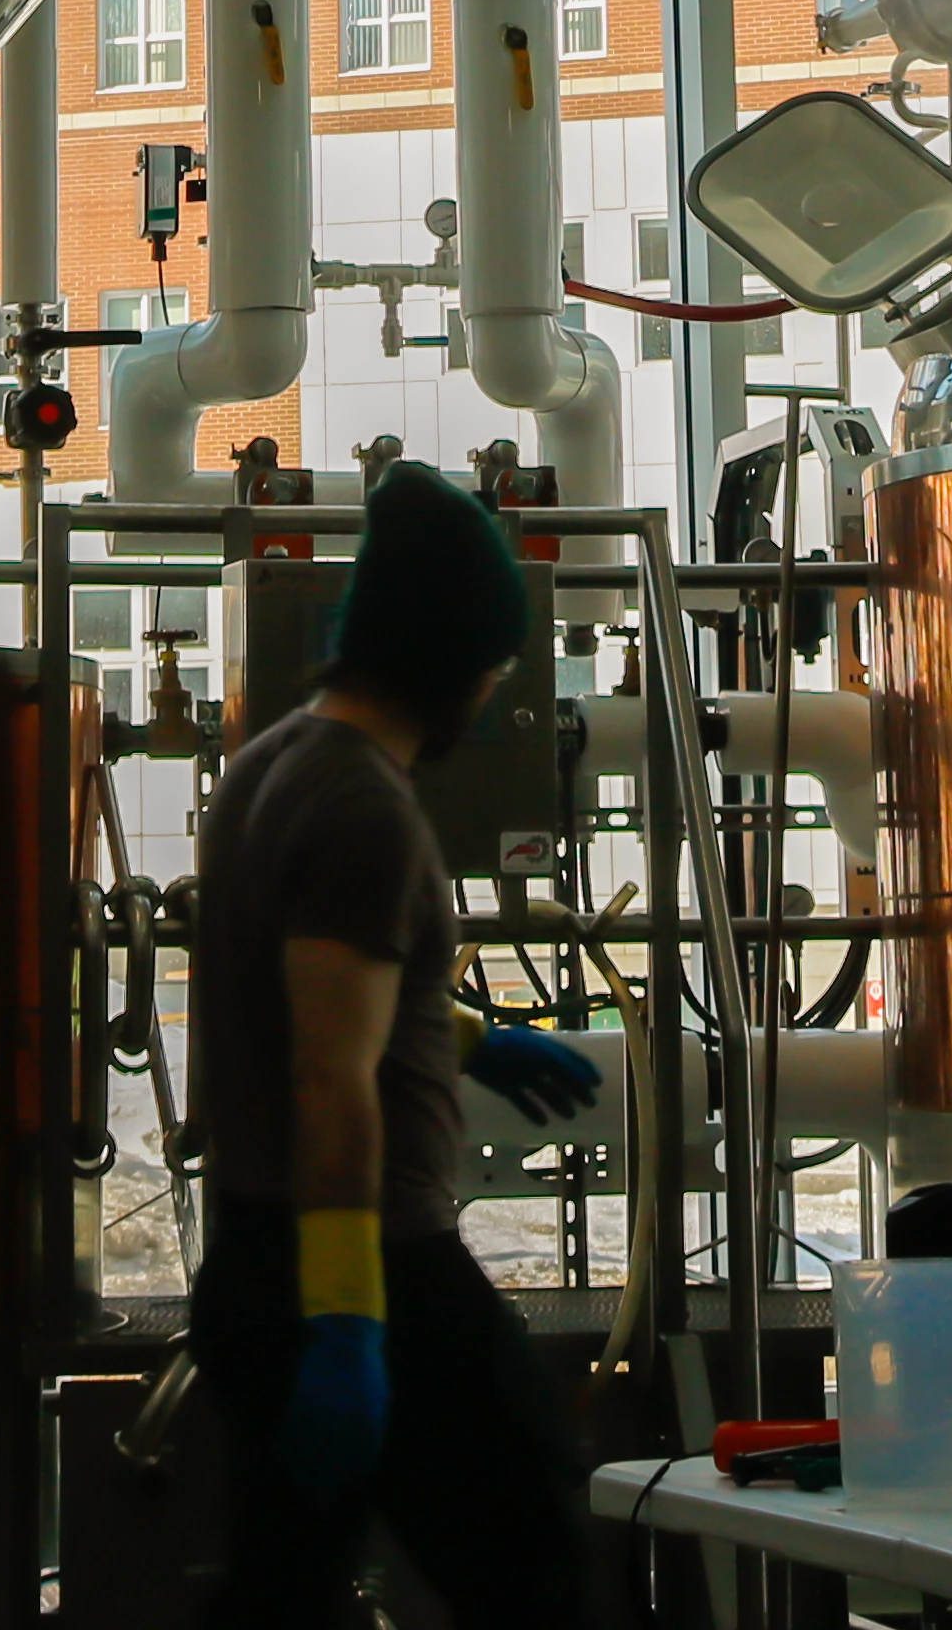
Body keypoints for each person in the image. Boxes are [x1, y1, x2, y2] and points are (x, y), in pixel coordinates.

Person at [188, 462, 605, 1630]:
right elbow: (333, 1074)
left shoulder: (271, 763)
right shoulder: (365, 808)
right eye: (496, 662)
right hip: (369, 1266)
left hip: (259, 1255)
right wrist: (349, 1321)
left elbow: (318, 996)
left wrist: (467, 1037)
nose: (495, 688)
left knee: (284, 1597)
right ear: (454, 657)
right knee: (539, 1571)